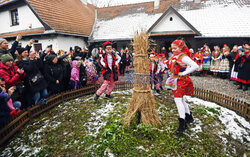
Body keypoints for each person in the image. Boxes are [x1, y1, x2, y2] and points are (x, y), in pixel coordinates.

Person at [166, 39, 199, 133]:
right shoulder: (175, 56)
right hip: (175, 79)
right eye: (172, 48)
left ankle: (182, 124)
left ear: (181, 48)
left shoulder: (183, 57)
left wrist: (184, 73)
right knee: (181, 99)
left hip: (181, 81)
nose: (173, 50)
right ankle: (188, 116)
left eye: (175, 48)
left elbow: (195, 66)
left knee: (177, 100)